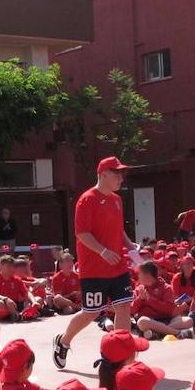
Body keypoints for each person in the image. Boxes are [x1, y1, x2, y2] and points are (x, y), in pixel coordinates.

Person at [53, 157, 139, 370]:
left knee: (124, 307)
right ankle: (63, 341)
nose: (120, 177)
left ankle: (122, 356)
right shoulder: (87, 199)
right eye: (116, 173)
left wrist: (129, 245)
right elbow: (81, 233)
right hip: (94, 269)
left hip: (117, 266)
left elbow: (118, 229)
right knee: (91, 312)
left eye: (122, 173)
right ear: (103, 175)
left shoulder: (117, 200)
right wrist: (102, 251)